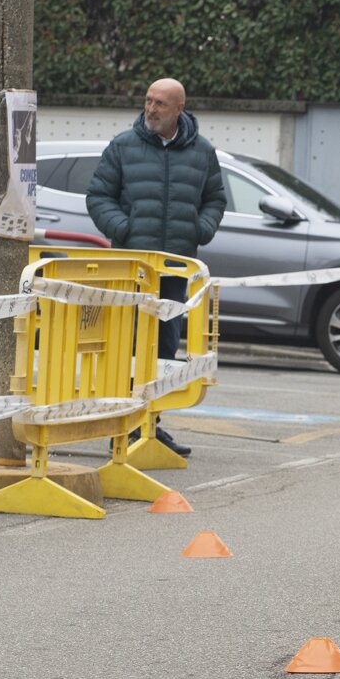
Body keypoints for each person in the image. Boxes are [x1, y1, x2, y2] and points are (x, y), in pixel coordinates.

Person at [86, 77, 226, 459]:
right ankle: (125, 427)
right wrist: (124, 229)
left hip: (174, 272)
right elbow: (98, 196)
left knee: (164, 349)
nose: (150, 108)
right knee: (128, 347)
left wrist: (200, 229)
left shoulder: (202, 152)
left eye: (160, 103)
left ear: (179, 108)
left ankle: (150, 423)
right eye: (148, 100)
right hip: (131, 270)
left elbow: (215, 199)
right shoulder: (123, 146)